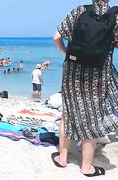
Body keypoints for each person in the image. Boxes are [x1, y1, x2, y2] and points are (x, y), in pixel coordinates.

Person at [53, 0, 118, 177]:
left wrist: (66, 52)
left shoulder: (79, 11)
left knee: (68, 113)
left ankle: (63, 158)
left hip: (72, 72)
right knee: (93, 117)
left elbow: (56, 37)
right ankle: (86, 167)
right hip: (98, 74)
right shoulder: (115, 16)